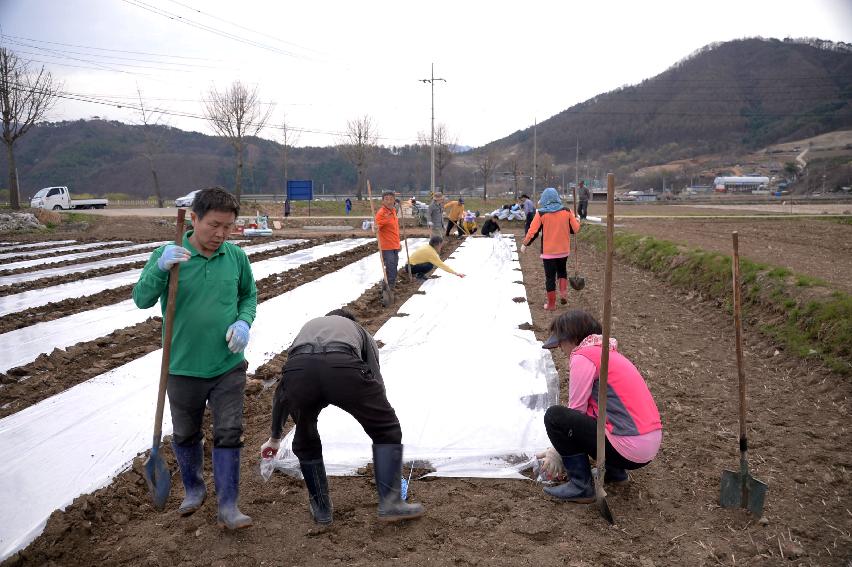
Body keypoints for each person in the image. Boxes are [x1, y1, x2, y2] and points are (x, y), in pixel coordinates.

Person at [132, 187, 257, 530]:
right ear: (194, 218)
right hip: (182, 367)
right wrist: (159, 268)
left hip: (227, 366)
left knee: (229, 431)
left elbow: (249, 296)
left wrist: (243, 321)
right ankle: (193, 489)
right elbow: (141, 299)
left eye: (228, 227)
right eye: (214, 225)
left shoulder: (235, 257)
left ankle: (229, 505)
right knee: (186, 433)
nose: (221, 234)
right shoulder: (169, 255)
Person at [260, 309, 425, 524]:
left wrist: (274, 438)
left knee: (305, 436)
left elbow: (282, 392)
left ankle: (322, 511)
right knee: (387, 429)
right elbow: (374, 377)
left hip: (299, 371)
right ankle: (391, 503)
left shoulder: (308, 327)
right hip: (342, 365)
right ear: (350, 321)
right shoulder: (359, 331)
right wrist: (380, 415)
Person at [539, 309, 662, 502]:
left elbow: (575, 411)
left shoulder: (583, 355)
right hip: (648, 446)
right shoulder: (608, 353)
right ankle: (615, 473)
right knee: (597, 414)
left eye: (561, 343)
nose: (561, 350)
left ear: (573, 337)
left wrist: (557, 451)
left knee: (555, 417)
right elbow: (598, 411)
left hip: (627, 447)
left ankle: (581, 486)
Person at [520, 187, 580, 311]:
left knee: (550, 277)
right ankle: (563, 294)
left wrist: (525, 244)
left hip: (549, 252)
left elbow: (533, 231)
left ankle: (551, 304)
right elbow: (575, 229)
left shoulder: (541, 213)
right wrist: (577, 220)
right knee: (562, 271)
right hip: (563, 250)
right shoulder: (567, 211)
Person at [375, 190, 401, 292]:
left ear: (394, 200)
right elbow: (376, 227)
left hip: (394, 245)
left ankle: (387, 286)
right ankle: (389, 288)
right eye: (386, 199)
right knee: (390, 267)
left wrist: (398, 243)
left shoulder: (393, 211)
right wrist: (375, 228)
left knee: (394, 267)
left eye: (391, 199)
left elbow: (394, 229)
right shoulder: (381, 213)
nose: (389, 201)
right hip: (386, 247)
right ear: (383, 201)